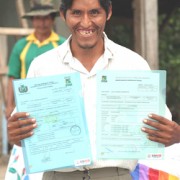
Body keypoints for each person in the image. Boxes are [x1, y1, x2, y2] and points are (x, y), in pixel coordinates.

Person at [7, 0, 180, 179]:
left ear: (109, 12)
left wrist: (175, 135)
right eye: (76, 13)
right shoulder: (42, 66)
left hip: (116, 175)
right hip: (58, 175)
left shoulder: (134, 64)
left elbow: (162, 129)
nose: (86, 22)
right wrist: (15, 134)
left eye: (95, 12)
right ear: (62, 14)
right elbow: (22, 135)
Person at [5, 0, 66, 120]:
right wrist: (9, 105)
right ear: (32, 20)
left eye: (46, 18)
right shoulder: (21, 45)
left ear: (53, 20)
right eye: (37, 18)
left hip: (55, 102)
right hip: (26, 101)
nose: (42, 23)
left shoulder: (62, 44)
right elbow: (13, 76)